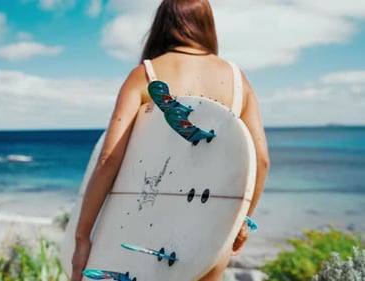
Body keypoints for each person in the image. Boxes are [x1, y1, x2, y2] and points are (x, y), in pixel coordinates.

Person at [71, 0, 270, 280]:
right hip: (210, 235)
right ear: (207, 26)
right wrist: (240, 220)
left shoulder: (145, 75)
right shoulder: (238, 80)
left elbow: (109, 159)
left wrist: (82, 236)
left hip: (147, 233)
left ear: (162, 25)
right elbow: (260, 160)